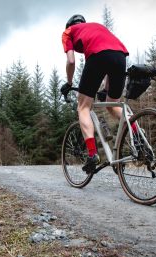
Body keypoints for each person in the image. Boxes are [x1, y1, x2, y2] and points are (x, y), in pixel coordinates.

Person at [60, 14, 129, 174]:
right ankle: (137, 132)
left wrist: (69, 83)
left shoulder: (68, 32)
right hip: (120, 56)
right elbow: (108, 55)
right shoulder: (96, 27)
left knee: (83, 107)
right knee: (113, 105)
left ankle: (92, 154)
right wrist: (105, 89)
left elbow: (71, 61)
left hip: (99, 57)